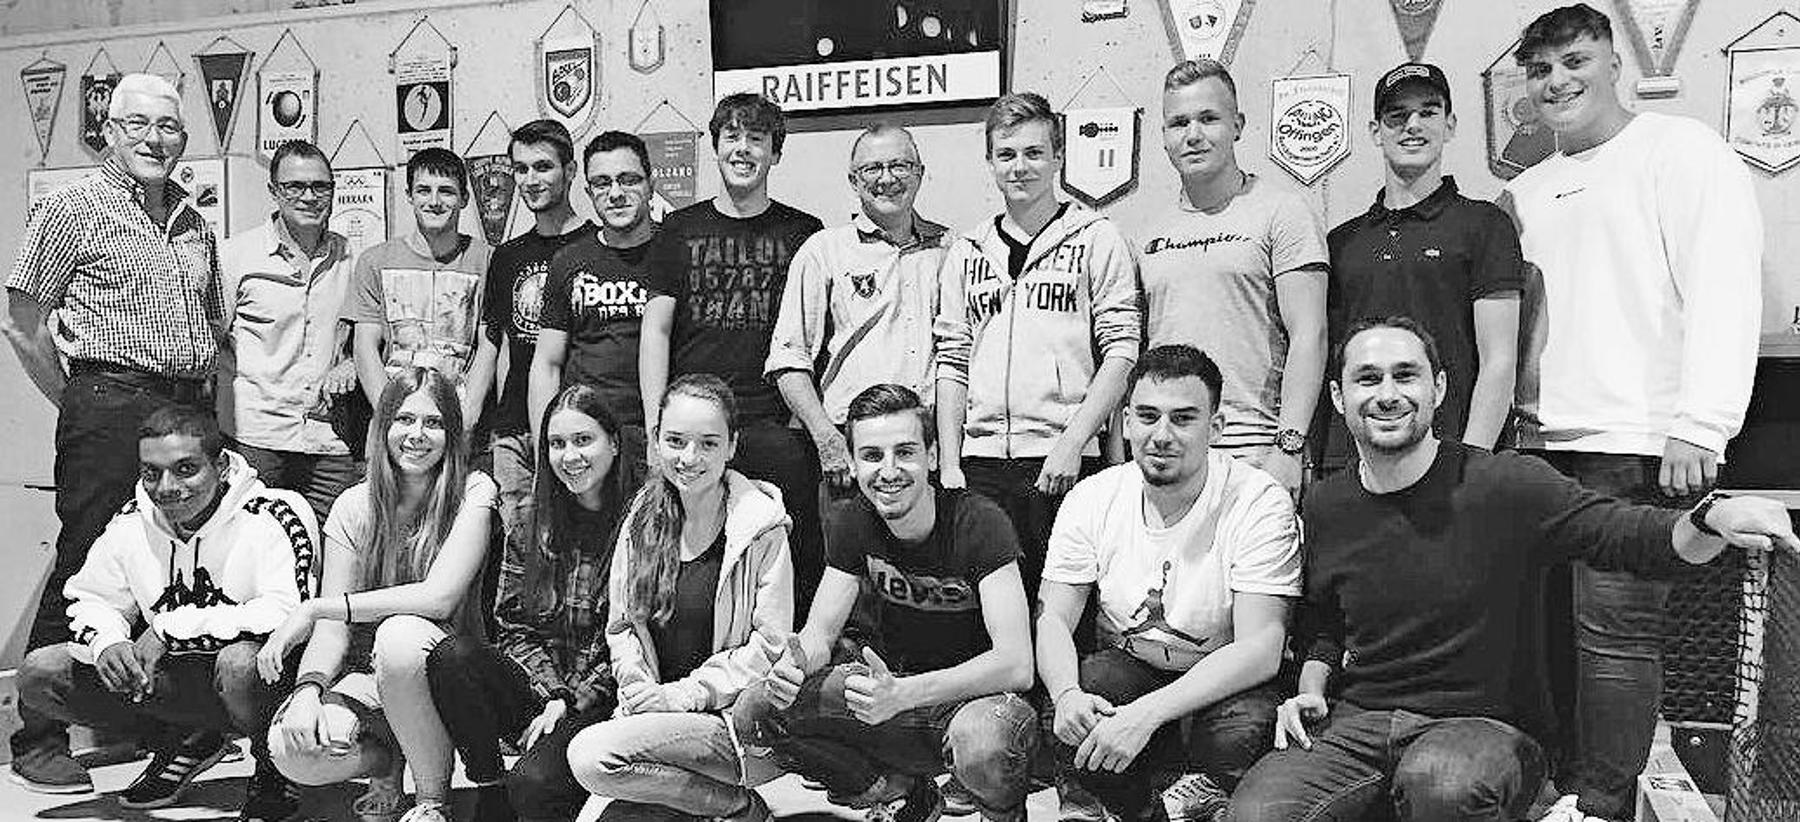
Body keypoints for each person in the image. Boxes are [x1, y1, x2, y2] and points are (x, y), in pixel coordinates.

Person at [1227, 317, 1798, 822]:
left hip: (1485, 730)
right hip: (1362, 722)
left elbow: (1633, 536)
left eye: (1406, 375)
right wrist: (1310, 690)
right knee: (1257, 811)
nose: (1388, 394)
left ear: (1438, 388)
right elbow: (1326, 625)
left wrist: (1714, 514)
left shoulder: (1503, 485)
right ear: (1338, 395)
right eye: (1368, 378)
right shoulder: (1327, 504)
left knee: (1442, 787)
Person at [1498, 7, 1765, 820]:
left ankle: (1601, 807)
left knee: (1615, 641)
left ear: (1614, 63)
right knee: (1540, 644)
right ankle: (1546, 794)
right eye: (1540, 70)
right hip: (1537, 448)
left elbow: (1724, 284)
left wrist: (1702, 423)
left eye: (1574, 61)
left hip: (1640, 445)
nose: (1557, 81)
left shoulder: (1680, 150)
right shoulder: (1521, 192)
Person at [3, 72, 224, 793]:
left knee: (175, 567)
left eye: (169, 127)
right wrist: (82, 401)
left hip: (184, 407)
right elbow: (23, 323)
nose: (155, 140)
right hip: (110, 401)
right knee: (85, 559)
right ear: (110, 130)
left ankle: (169, 725)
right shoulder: (73, 207)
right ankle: (38, 737)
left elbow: (213, 325)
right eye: (138, 125)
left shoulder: (194, 220)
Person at [744, 383, 1037, 821]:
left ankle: (1004, 815)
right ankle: (899, 792)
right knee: (758, 707)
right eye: (872, 455)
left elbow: (1016, 664)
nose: (889, 470)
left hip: (976, 701)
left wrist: (905, 694)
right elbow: (820, 634)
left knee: (982, 745)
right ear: (853, 463)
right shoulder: (853, 521)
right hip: (892, 692)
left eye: (905, 452)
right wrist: (794, 665)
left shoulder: (979, 521)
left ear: (932, 457)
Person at [13, 404, 315, 820]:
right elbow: (89, 596)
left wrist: (168, 629)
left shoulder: (274, 512)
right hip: (179, 678)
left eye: (186, 469)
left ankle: (274, 765)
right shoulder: (133, 519)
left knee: (241, 664)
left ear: (220, 466)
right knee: (42, 673)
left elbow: (288, 612)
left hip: (261, 678)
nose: (167, 487)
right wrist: (108, 643)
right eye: (152, 473)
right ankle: (186, 740)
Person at [1039, 345, 1299, 822]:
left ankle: (1208, 799)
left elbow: (1261, 648)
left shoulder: (1259, 500)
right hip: (1135, 666)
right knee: (1080, 702)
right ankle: (1142, 811)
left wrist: (1150, 713)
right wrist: (1066, 696)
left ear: (1215, 428)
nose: (1161, 435)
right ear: (1126, 422)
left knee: (1241, 731)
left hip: (1228, 680)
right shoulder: (1092, 497)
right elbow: (1053, 617)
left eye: (1183, 419)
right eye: (1147, 416)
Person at [256, 367, 498, 822]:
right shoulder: (354, 505)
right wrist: (308, 690)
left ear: (452, 433)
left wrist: (317, 607)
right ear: (382, 426)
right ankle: (387, 760)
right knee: (291, 750)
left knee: (400, 636)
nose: (417, 434)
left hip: (447, 675)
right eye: (404, 419)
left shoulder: (474, 490)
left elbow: (439, 599)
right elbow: (332, 633)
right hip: (367, 676)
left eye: (433, 423)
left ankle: (431, 800)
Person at [935, 90, 1141, 596]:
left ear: (1058, 158)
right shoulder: (965, 251)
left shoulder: (1097, 238)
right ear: (990, 162)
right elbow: (952, 361)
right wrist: (950, 462)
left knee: (1063, 609)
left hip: (1062, 459)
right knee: (990, 611)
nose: (1019, 167)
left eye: (1033, 153)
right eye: (1006, 154)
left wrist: (1073, 444)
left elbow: (1121, 351)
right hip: (981, 463)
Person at [565, 373, 794, 821]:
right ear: (656, 441)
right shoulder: (642, 516)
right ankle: (710, 808)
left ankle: (739, 806)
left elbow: (769, 647)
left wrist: (681, 696)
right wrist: (640, 692)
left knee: (590, 758)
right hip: (653, 717)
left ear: (731, 446)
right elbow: (622, 627)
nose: (689, 458)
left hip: (729, 724)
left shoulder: (762, 525)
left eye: (708, 444)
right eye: (675, 441)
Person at [638, 93, 825, 606]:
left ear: (775, 153)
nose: (743, 149)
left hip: (774, 423)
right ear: (716, 147)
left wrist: (800, 423)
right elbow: (655, 332)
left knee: (791, 552)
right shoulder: (678, 229)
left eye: (757, 139)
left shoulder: (805, 233)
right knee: (695, 554)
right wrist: (657, 427)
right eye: (732, 137)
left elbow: (815, 337)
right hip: (696, 425)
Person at [423, 383, 638, 822]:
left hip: (607, 700)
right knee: (452, 656)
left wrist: (569, 702)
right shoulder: (530, 522)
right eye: (557, 444)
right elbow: (513, 627)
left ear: (614, 443)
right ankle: (490, 788)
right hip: (544, 690)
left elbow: (630, 639)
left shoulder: (642, 522)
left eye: (583, 440)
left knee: (536, 783)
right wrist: (552, 694)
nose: (570, 456)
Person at [1138, 59, 1328, 498]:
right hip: (1169, 449)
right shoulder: (1149, 233)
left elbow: (1311, 335)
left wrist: (1289, 446)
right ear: (1163, 136)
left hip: (1258, 450)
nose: (1193, 134)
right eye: (1179, 123)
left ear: (1237, 125)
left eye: (1209, 118)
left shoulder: (1283, 212)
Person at [1320, 62, 1521, 474]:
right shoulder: (1341, 242)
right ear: (1375, 131)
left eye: (1428, 112)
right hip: (1354, 467)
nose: (1413, 125)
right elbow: (1330, 361)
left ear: (1450, 125)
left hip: (1452, 463)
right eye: (1397, 115)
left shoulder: (1486, 225)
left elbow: (1499, 361)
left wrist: (1471, 464)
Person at [764, 124, 947, 499]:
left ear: (920, 173)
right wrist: (826, 439)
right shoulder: (824, 251)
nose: (887, 179)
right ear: (853, 180)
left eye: (900, 166)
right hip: (851, 451)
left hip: (927, 449)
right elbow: (788, 359)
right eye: (872, 168)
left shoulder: (951, 250)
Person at [464, 120, 595, 569]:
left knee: (579, 553)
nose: (530, 179)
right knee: (522, 556)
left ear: (570, 171)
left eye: (542, 167)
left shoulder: (596, 245)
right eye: (521, 169)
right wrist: (472, 420)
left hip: (577, 428)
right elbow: (494, 344)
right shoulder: (507, 255)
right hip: (514, 430)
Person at [217, 138, 363, 520]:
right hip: (255, 439)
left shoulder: (353, 259)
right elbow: (210, 343)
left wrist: (351, 362)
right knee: (256, 547)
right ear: (274, 191)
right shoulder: (235, 257)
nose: (309, 197)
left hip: (331, 442)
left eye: (320, 186)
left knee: (332, 548)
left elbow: (368, 339)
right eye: (295, 186)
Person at [530, 131, 660, 482]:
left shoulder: (676, 252)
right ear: (588, 193)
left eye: (628, 179)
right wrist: (546, 451)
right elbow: (547, 363)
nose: (615, 193)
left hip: (657, 434)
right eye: (602, 183)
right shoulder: (568, 261)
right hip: (585, 437)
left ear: (651, 184)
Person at [345, 148, 493, 410]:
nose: (434, 201)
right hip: (395, 412)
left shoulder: (486, 260)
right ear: (409, 196)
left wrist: (467, 418)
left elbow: (488, 347)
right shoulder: (375, 261)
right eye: (424, 190)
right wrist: (390, 416)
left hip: (458, 412)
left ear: (464, 198)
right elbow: (365, 347)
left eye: (446, 191)